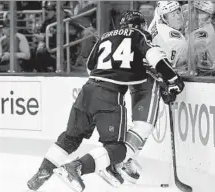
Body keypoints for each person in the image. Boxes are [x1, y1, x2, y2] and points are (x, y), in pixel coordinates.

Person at [27, 10, 184, 192]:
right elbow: (155, 57)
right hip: (109, 95)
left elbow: (90, 66)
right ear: (140, 25)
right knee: (117, 149)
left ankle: (42, 173)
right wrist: (173, 81)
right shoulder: (139, 34)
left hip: (87, 90)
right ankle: (76, 167)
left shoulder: (105, 36)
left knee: (70, 138)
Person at [102, 1, 187, 186]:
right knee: (143, 126)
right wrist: (169, 82)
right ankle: (115, 161)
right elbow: (161, 63)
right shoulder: (171, 37)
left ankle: (124, 159)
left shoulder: (154, 25)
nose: (178, 16)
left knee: (142, 125)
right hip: (150, 82)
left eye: (179, 12)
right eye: (173, 13)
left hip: (138, 80)